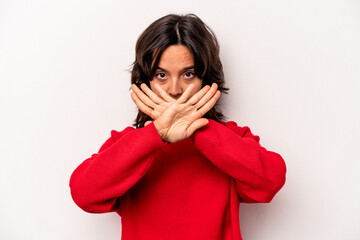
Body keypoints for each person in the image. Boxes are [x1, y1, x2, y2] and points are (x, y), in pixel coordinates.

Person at [69, 13, 286, 240]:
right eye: (161, 75)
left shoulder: (229, 139)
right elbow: (84, 194)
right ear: (146, 82)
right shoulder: (130, 146)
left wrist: (198, 128)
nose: (175, 89)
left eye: (188, 74)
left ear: (206, 79)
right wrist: (154, 135)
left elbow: (271, 181)